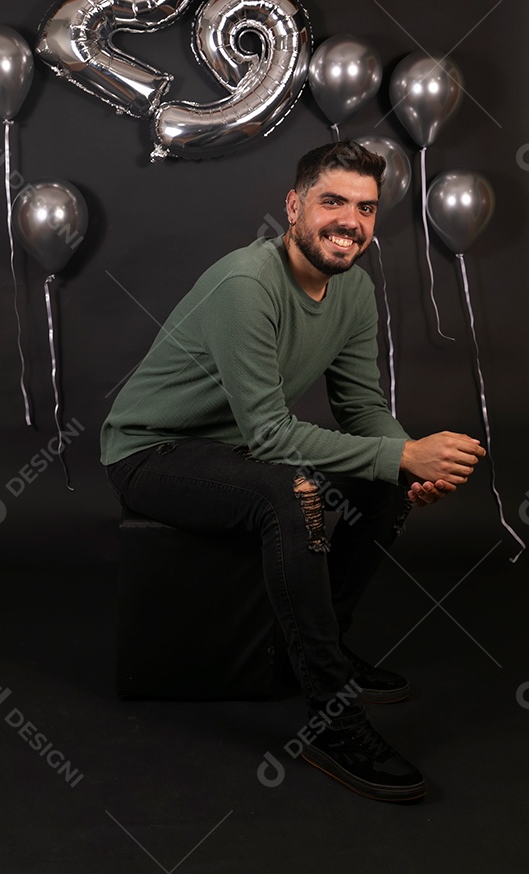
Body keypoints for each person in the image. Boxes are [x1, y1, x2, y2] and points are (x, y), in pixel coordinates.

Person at [100, 140, 485, 803]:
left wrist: (404, 462)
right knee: (291, 493)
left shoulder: (355, 289)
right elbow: (272, 435)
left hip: (237, 453)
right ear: (295, 206)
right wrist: (403, 454)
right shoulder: (247, 285)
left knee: (381, 481)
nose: (350, 222)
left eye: (365, 208)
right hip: (151, 453)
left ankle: (314, 649)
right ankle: (332, 718)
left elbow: (362, 408)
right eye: (332, 201)